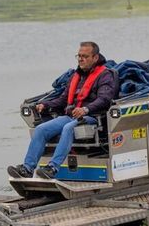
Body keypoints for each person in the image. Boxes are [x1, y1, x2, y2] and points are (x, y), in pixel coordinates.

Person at [8, 41, 118, 180]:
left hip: (92, 117)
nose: (80, 59)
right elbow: (63, 99)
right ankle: (27, 169)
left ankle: (52, 168)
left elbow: (104, 99)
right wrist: (45, 105)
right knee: (41, 129)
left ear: (95, 58)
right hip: (71, 116)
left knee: (68, 128)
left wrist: (85, 109)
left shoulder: (105, 75)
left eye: (84, 56)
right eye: (79, 56)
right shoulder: (75, 76)